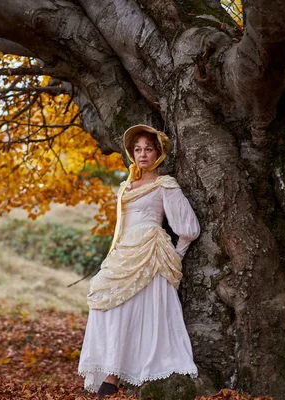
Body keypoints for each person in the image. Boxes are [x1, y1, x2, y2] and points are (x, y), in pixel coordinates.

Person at [78, 125, 201, 397]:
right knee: (108, 304)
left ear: (158, 153)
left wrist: (173, 256)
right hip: (124, 253)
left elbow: (188, 228)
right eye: (137, 149)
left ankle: (116, 376)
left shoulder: (164, 185)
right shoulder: (126, 186)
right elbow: (121, 227)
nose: (142, 154)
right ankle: (112, 367)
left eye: (148, 149)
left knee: (139, 311)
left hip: (150, 253)